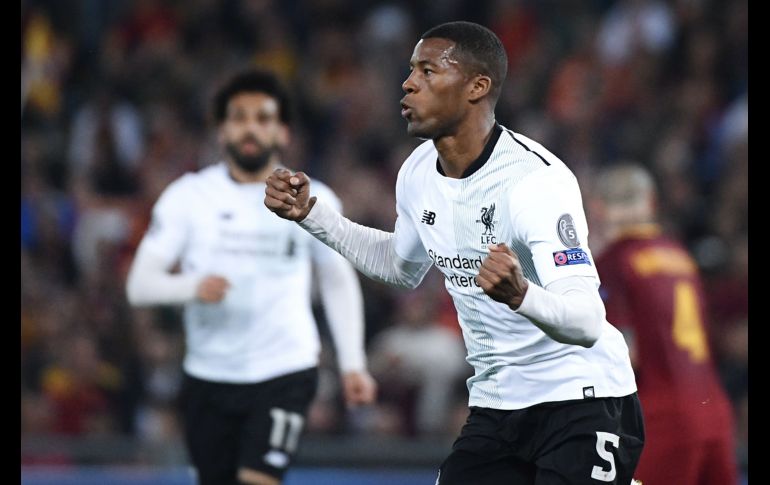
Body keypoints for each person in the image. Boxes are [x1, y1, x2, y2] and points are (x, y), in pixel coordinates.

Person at [265, 21, 644, 485]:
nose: (408, 83)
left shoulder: (535, 182)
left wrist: (521, 294)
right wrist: (313, 215)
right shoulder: (418, 172)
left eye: (427, 71)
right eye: (411, 71)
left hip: (582, 400)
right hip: (497, 404)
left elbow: (587, 323)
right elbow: (400, 268)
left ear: (477, 87)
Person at [125, 69, 376, 485]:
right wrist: (191, 287)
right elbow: (139, 285)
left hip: (285, 370)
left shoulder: (312, 197)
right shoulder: (188, 197)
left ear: (283, 133)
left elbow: (337, 280)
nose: (250, 129)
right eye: (239, 118)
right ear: (221, 131)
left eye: (263, 119)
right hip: (208, 373)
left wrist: (353, 363)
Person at [590, 163, 738, 485]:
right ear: (652, 202)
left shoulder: (612, 263)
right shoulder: (680, 256)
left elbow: (627, 355)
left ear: (598, 207)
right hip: (714, 410)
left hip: (662, 419)